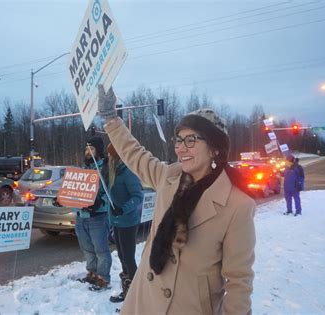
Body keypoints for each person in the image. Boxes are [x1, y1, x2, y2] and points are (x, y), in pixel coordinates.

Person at [98, 85, 256, 314]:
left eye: (191, 140)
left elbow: (239, 283)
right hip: (143, 303)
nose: (181, 148)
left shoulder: (237, 206)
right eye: (179, 140)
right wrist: (110, 119)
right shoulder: (169, 177)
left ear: (215, 149)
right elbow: (134, 154)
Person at [106, 143, 144, 303]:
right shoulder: (111, 172)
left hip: (128, 221)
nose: (108, 158)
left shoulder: (127, 173)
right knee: (122, 257)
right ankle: (127, 290)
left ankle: (136, 295)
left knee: (128, 258)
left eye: (110, 155)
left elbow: (138, 196)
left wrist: (123, 209)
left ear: (116, 157)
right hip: (117, 221)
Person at [75, 136, 112, 291]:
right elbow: (75, 190)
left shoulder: (105, 169)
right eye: (86, 149)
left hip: (98, 217)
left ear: (98, 151)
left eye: (91, 149)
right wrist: (64, 200)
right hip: (81, 217)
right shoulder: (84, 169)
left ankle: (103, 278)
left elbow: (110, 192)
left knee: (101, 250)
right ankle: (92, 273)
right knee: (87, 248)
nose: (88, 152)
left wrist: (99, 202)